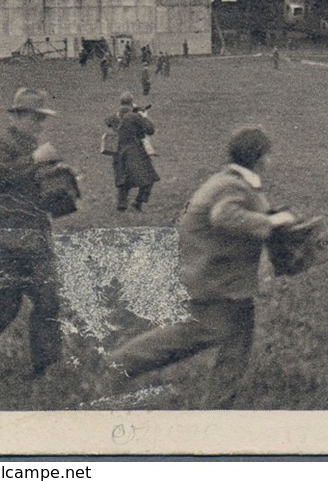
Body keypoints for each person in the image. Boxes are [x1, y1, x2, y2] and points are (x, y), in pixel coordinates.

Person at [109, 126, 299, 408]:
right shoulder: (232, 186)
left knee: (237, 344)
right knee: (196, 333)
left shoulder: (232, 180)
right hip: (214, 278)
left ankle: (219, 407)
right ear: (259, 158)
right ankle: (120, 363)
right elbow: (224, 215)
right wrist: (269, 223)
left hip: (229, 279)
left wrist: (272, 217)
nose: (270, 162)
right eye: (268, 156)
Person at [0, 88, 66, 377]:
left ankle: (44, 367)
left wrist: (65, 184)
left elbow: (43, 187)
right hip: (4, 240)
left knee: (48, 299)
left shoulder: (34, 147)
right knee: (4, 307)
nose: (40, 125)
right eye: (35, 118)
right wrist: (38, 160)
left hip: (33, 236)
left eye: (43, 120)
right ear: (16, 116)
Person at [107, 92, 159, 212]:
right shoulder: (134, 116)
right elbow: (150, 130)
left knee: (123, 178)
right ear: (131, 102)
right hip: (134, 150)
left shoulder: (115, 115)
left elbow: (109, 122)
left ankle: (122, 205)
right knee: (149, 177)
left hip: (118, 151)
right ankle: (138, 202)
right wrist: (143, 116)